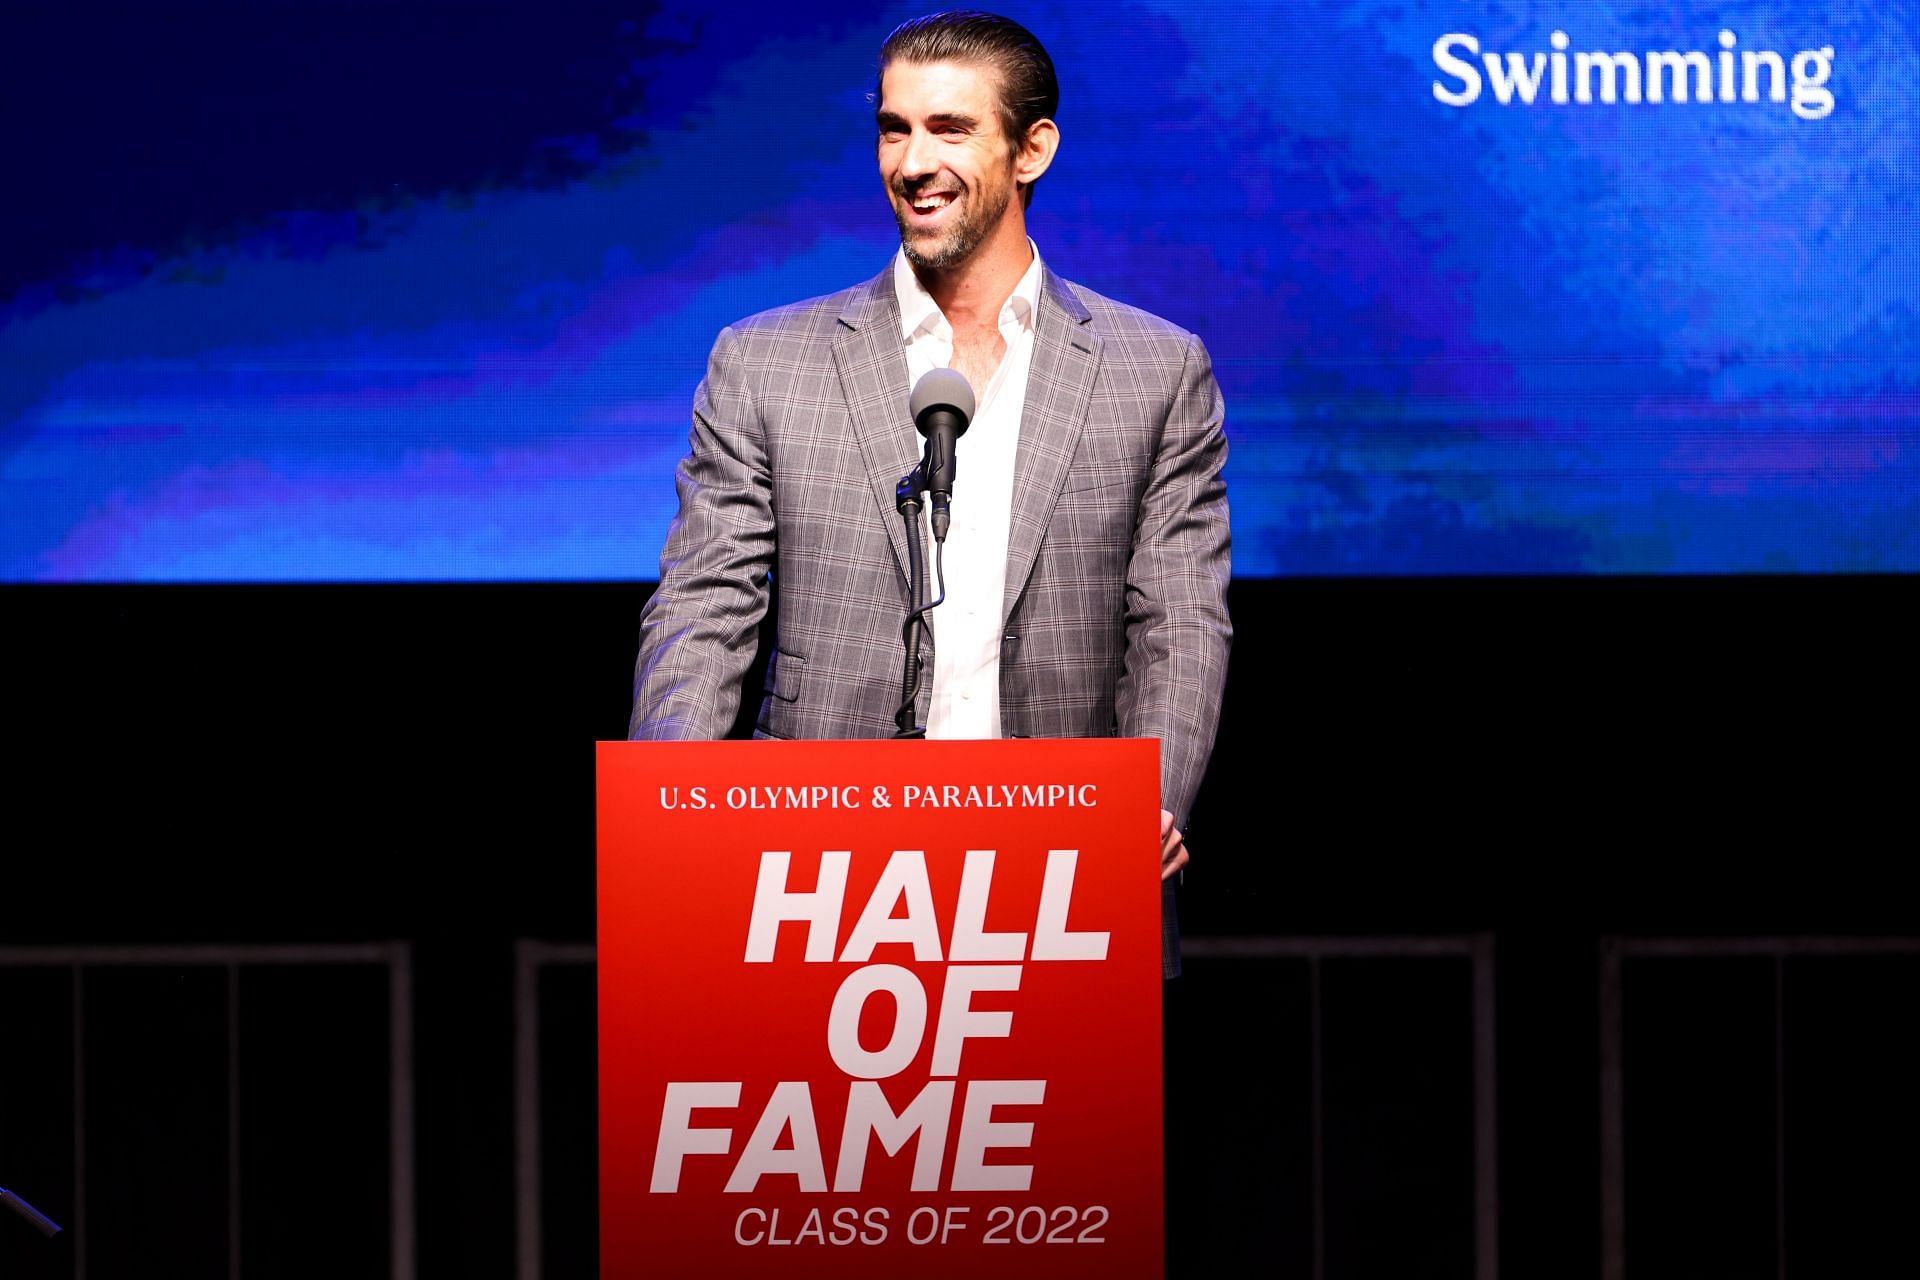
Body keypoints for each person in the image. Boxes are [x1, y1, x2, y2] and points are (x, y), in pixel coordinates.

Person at [630, 10, 1230, 974]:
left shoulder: (1153, 369)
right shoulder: (765, 363)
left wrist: (1146, 806)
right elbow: (706, 608)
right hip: (814, 884)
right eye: (893, 128)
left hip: (1060, 882)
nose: (912, 162)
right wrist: (667, 818)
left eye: (949, 129)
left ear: (1031, 149)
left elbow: (1179, 621)